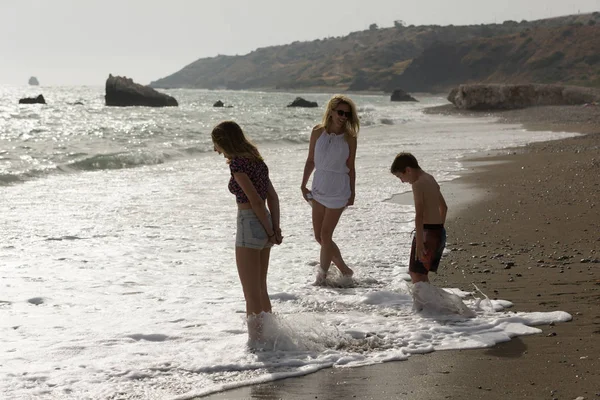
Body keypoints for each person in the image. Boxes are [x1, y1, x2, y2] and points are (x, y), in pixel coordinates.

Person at [211, 121, 283, 343]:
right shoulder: (257, 161)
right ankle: (271, 338)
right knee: (261, 289)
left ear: (224, 142)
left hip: (250, 223)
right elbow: (272, 197)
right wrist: (274, 227)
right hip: (266, 222)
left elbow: (255, 201)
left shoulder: (238, 164)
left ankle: (257, 343)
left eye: (215, 144)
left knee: (250, 293)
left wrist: (270, 231)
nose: (215, 150)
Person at [300, 95, 359, 285]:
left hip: (338, 188)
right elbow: (310, 160)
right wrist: (303, 184)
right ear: (331, 111)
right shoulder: (317, 132)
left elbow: (351, 166)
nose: (343, 117)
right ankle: (344, 269)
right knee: (319, 236)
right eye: (340, 112)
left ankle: (322, 277)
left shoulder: (350, 138)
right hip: (319, 186)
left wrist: (352, 192)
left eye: (347, 115)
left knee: (326, 235)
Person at [390, 152, 448, 284]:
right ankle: (429, 303)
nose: (402, 181)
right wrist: (439, 230)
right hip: (438, 231)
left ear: (408, 170)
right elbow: (444, 207)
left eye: (400, 176)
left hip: (426, 232)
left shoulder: (417, 184)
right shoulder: (430, 178)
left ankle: (425, 304)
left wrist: (420, 241)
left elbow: (419, 214)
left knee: (416, 275)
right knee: (422, 274)